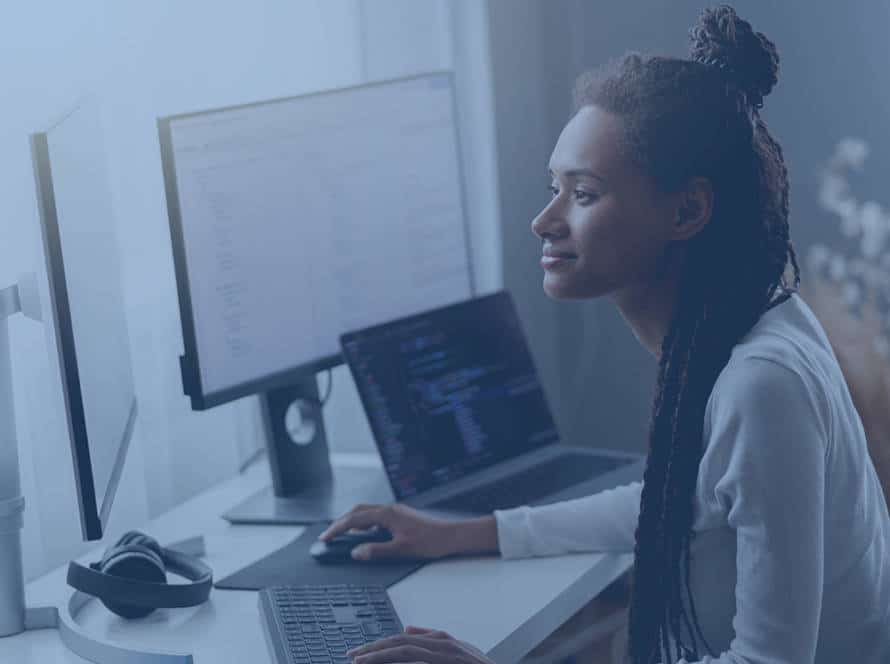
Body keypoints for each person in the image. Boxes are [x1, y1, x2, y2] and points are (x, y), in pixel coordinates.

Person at [321, 6, 890, 663]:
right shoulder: (761, 314)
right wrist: (463, 533)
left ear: (687, 210)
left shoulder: (761, 386)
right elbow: (678, 502)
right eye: (552, 188)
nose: (543, 221)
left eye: (583, 194)